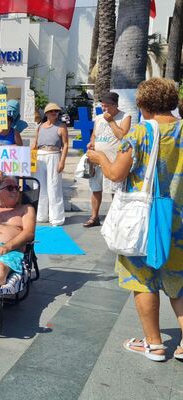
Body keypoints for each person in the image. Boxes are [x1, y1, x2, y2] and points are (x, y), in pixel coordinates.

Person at [87, 78, 183, 362]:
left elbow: (116, 174)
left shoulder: (140, 133)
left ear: (143, 104)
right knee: (179, 280)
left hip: (143, 222)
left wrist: (100, 158)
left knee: (142, 279)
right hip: (178, 221)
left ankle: (153, 343)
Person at [83, 92, 132, 227]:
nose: (104, 109)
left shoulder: (125, 117)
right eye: (102, 106)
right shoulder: (98, 118)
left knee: (114, 190)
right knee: (95, 188)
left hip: (113, 161)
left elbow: (123, 136)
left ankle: (116, 219)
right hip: (96, 159)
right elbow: (94, 135)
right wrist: (91, 143)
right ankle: (94, 217)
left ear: (115, 105)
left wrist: (110, 121)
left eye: (107, 106)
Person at [31, 103, 69, 226]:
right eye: (52, 111)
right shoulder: (40, 127)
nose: (54, 113)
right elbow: (35, 143)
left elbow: (66, 144)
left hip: (54, 155)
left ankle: (56, 218)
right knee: (39, 186)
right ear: (46, 113)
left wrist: (62, 161)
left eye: (56, 111)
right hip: (40, 156)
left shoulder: (62, 126)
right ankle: (41, 215)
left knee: (54, 186)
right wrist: (31, 160)